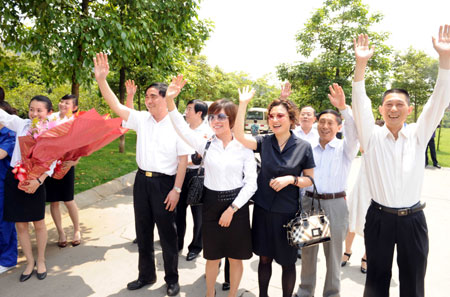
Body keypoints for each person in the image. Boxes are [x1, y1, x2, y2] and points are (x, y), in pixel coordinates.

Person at [351, 25, 450, 297]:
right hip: (379, 218)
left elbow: (439, 100)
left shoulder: (419, 135)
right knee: (375, 282)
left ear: (408, 110)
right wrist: (361, 65)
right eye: (388, 104)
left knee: (414, 282)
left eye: (399, 105)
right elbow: (359, 101)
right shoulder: (370, 137)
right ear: (380, 109)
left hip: (413, 220)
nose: (393, 108)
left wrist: (445, 60)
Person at [94, 53, 191, 296]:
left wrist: (177, 190)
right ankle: (146, 275)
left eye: (152, 96)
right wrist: (102, 80)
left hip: (165, 184)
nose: (147, 100)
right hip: (141, 182)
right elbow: (116, 106)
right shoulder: (141, 119)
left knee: (168, 234)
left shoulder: (177, 123)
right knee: (143, 230)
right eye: (145, 96)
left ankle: (172, 279)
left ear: (164, 97)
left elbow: (183, 161)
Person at [165, 75, 258, 297]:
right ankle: (209, 293)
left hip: (237, 205)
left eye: (221, 117)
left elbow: (251, 183)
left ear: (233, 119)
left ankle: (232, 294)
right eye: (212, 117)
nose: (215, 121)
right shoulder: (206, 143)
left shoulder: (244, 147)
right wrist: (170, 101)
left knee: (235, 257)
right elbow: (180, 127)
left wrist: (232, 209)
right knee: (212, 256)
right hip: (211, 203)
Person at [235, 86, 315, 297]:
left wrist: (292, 179)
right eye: (271, 116)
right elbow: (239, 136)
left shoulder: (303, 147)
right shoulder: (264, 142)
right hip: (263, 210)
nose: (274, 119)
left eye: (280, 115)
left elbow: (310, 180)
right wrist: (243, 104)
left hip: (288, 214)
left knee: (288, 263)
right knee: (264, 258)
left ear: (291, 119)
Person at [296, 84, 359, 297]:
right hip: (311, 203)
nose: (325, 126)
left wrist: (343, 108)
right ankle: (305, 291)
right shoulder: (309, 148)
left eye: (330, 123)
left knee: (333, 255)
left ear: (338, 127)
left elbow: (354, 131)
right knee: (308, 253)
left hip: (335, 205)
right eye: (321, 122)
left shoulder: (345, 149)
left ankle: (332, 294)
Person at [0, 95, 56, 282]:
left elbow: (53, 163)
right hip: (14, 178)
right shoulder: (22, 125)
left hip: (35, 181)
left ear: (49, 112)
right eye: (32, 109)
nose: (34, 113)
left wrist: (38, 181)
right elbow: (4, 117)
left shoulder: (53, 132)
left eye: (39, 110)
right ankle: (29, 262)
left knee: (38, 223)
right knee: (20, 224)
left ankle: (41, 261)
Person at [176, 99, 211, 261]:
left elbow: (205, 155)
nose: (186, 112)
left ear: (199, 113)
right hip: (179, 174)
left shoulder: (209, 131)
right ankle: (176, 244)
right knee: (177, 212)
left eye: (189, 109)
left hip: (198, 175)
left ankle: (196, 247)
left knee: (198, 215)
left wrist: (188, 160)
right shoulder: (182, 129)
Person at [45, 94, 81, 248]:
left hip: (66, 165)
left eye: (68, 103)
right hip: (49, 166)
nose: (63, 105)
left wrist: (75, 161)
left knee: (68, 200)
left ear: (74, 108)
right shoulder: (49, 119)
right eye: (62, 101)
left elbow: (82, 145)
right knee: (53, 201)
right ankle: (60, 232)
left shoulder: (75, 123)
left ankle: (77, 230)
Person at [0, 93, 18, 274]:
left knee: (4, 223)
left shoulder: (9, 134)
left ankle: (8, 260)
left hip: (4, 185)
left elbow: (1, 154)